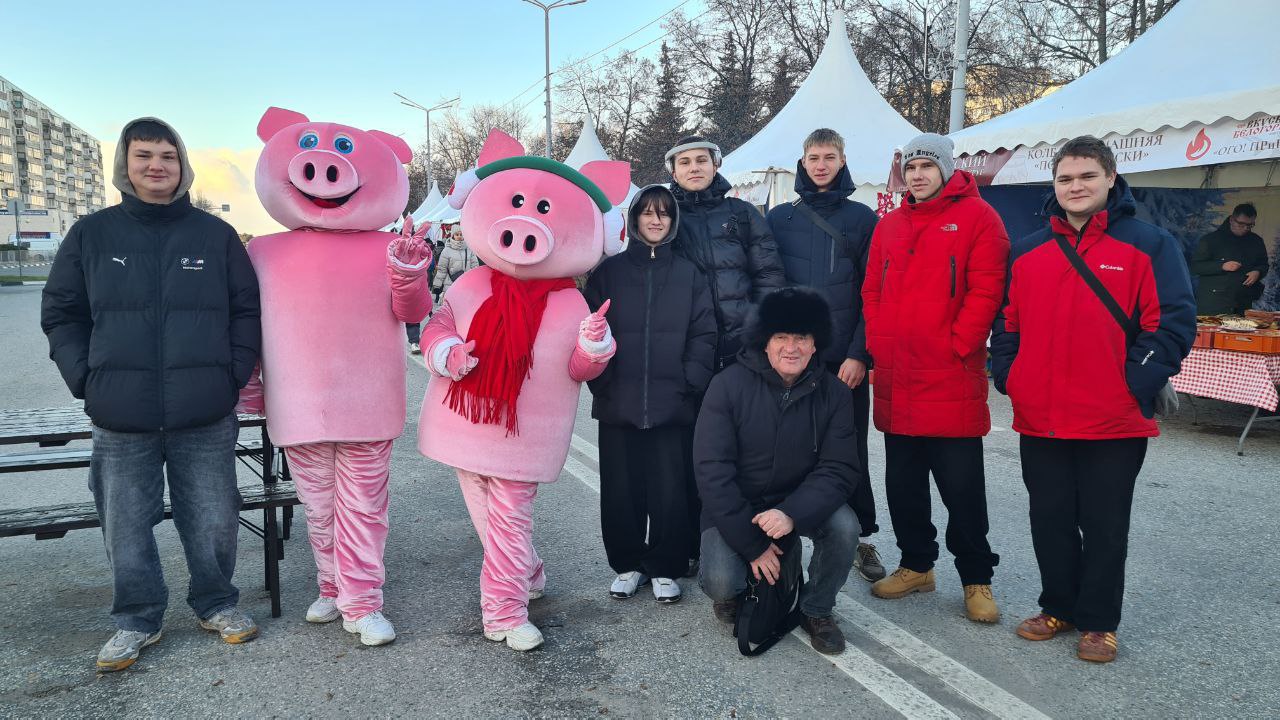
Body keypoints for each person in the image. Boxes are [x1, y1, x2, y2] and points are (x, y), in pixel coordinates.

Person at [40, 118, 262, 671]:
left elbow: (245, 312)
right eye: (144, 155)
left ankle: (216, 603)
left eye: (167, 155)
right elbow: (61, 313)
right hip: (121, 416)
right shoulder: (92, 234)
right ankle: (137, 619)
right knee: (124, 523)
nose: (156, 165)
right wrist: (86, 379)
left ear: (183, 165)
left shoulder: (214, 236)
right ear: (125, 164)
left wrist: (230, 374)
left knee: (213, 516)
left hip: (203, 411)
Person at [991, 135, 1195, 663]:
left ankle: (1099, 622)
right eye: (1065, 179)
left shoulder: (1149, 244)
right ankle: (1057, 605)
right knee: (1050, 517)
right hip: (1042, 415)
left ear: (1110, 177)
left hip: (1114, 418)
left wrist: (1136, 383)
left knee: (1104, 524)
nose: (1075, 187)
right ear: (1054, 186)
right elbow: (1007, 322)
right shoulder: (1029, 248)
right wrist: (1009, 374)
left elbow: (1171, 322)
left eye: (1085, 176)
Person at [861, 133, 1008, 624]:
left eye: (927, 165)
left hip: (948, 373)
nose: (918, 174)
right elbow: (872, 291)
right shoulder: (891, 225)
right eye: (911, 166)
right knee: (903, 483)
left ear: (946, 169)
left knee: (961, 487)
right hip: (899, 373)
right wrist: (879, 343)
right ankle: (916, 564)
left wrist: (958, 344)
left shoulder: (979, 219)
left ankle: (976, 577)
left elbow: (988, 290)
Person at [694, 287, 861, 655]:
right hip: (739, 503)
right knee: (722, 582)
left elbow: (840, 468)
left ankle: (816, 609)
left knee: (846, 526)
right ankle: (740, 591)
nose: (792, 347)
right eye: (781, 337)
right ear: (765, 343)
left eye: (802, 338)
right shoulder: (727, 386)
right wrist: (753, 545)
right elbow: (712, 472)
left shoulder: (834, 393)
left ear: (815, 344)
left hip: (797, 501)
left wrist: (791, 514)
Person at [583, 184, 717, 603]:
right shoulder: (610, 272)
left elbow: (705, 333)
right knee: (621, 489)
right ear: (634, 219)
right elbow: (588, 329)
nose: (656, 220)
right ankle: (626, 563)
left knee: (670, 489)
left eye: (663, 213)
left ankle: (665, 565)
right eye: (648, 213)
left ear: (672, 221)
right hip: (618, 402)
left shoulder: (689, 273)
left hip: (672, 403)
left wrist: (689, 383)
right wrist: (601, 381)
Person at [766, 128, 885, 583]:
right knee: (788, 445)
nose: (821, 164)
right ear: (802, 160)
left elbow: (871, 294)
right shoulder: (781, 218)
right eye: (814, 156)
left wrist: (859, 354)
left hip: (842, 360)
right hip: (794, 358)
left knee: (847, 448)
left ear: (842, 160)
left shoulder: (862, 218)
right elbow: (769, 290)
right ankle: (785, 528)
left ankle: (859, 535)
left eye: (829, 156)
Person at [666, 135, 785, 372]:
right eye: (685, 162)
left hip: (742, 344)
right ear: (674, 172)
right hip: (688, 345)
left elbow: (768, 275)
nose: (694, 168)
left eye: (701, 160)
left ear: (715, 164)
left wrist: (762, 327)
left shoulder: (742, 213)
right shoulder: (665, 217)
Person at [1191, 203, 1268, 315]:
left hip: (1242, 303)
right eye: (1241, 224)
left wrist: (1258, 272)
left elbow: (1263, 264)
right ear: (1232, 219)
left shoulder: (1256, 241)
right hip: (1214, 305)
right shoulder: (1210, 240)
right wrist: (1221, 266)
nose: (1246, 228)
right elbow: (1195, 267)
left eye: (1250, 225)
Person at [433, 224, 480, 299]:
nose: (459, 236)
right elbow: (442, 269)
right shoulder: (446, 251)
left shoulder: (469, 249)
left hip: (466, 284)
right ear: (452, 236)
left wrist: (475, 281)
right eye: (457, 234)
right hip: (451, 284)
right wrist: (437, 285)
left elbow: (475, 266)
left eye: (461, 234)